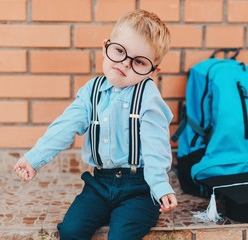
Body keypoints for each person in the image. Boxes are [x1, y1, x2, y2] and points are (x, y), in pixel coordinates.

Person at [14, 9, 177, 240]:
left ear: (152, 72)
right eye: (119, 51)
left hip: (139, 188)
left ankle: (131, 212)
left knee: (122, 235)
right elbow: (66, 126)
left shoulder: (148, 98)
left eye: (139, 61)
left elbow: (155, 147)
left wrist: (160, 187)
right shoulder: (91, 92)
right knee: (71, 229)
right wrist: (34, 158)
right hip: (99, 184)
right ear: (105, 47)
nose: (125, 64)